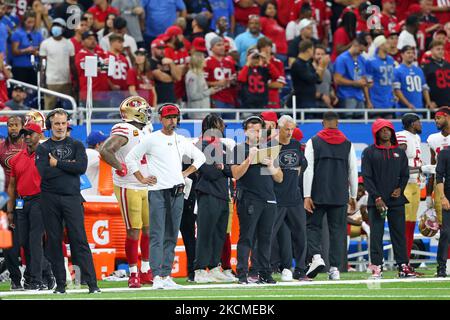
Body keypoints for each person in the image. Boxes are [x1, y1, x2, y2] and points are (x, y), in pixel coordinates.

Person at [125, 103, 206, 290]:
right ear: (161, 119)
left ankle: (166, 274)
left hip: (176, 191)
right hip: (158, 191)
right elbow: (130, 158)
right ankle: (156, 276)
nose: (172, 121)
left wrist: (185, 173)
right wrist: (141, 178)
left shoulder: (181, 140)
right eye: (168, 117)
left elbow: (200, 157)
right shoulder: (151, 139)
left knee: (171, 235)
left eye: (174, 117)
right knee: (156, 234)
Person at [35, 108, 100, 294]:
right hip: (49, 199)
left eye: (63, 123)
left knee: (79, 239)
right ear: (50, 126)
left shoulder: (77, 144)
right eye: (57, 123)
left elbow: (81, 167)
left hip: (72, 197)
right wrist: (69, 166)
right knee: (54, 241)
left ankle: (92, 284)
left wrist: (58, 164)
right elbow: (44, 173)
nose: (60, 127)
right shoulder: (42, 147)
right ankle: (61, 285)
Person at [100, 96, 153, 288]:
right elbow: (106, 150)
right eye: (144, 110)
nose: (148, 113)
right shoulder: (125, 129)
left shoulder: (146, 129)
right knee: (134, 230)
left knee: (148, 229)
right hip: (128, 185)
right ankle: (133, 273)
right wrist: (120, 166)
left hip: (146, 184)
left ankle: (146, 270)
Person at [303, 111, 358, 280]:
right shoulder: (348, 144)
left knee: (313, 227)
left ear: (322, 122)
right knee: (338, 232)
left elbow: (308, 169)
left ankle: (317, 257)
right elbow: (353, 170)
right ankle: (334, 268)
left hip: (318, 193)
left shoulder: (313, 142)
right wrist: (353, 195)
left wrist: (306, 195)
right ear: (338, 123)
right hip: (339, 194)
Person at [361, 118, 417, 279]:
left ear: (392, 132)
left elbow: (405, 174)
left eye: (388, 129)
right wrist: (377, 197)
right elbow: (367, 177)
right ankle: (377, 266)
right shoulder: (370, 152)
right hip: (377, 202)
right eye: (382, 129)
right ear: (376, 133)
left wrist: (400, 188)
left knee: (399, 234)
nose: (386, 132)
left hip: (396, 201)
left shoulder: (399, 152)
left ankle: (403, 266)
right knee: (376, 234)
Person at [231, 115, 283, 284]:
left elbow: (280, 178)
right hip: (249, 199)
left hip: (269, 199)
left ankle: (265, 273)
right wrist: (249, 159)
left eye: (259, 130)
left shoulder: (268, 148)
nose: (257, 133)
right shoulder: (239, 149)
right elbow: (236, 174)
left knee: (266, 237)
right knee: (247, 237)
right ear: (245, 132)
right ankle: (242, 273)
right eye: (253, 130)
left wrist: (271, 167)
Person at [7, 122, 54, 290]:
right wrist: (10, 210)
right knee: (25, 242)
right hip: (21, 203)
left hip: (40, 200)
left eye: (30, 133)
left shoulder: (48, 155)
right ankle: (47, 274)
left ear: (39, 135)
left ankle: (35, 280)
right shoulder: (16, 158)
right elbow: (12, 185)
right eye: (24, 134)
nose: (26, 136)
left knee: (34, 241)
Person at [193, 114, 235, 283]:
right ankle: (200, 269)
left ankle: (215, 266)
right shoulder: (201, 145)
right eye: (220, 124)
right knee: (205, 233)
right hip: (208, 193)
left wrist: (223, 168)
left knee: (219, 234)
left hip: (223, 194)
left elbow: (231, 170)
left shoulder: (221, 146)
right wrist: (224, 168)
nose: (223, 128)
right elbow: (209, 173)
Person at [273, 115, 309, 281]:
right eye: (286, 129)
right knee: (270, 235)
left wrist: (296, 172)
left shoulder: (295, 144)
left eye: (291, 129)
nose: (289, 132)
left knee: (301, 234)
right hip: (277, 198)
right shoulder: (271, 146)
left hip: (294, 198)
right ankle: (266, 268)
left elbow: (304, 163)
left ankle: (301, 269)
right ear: (279, 128)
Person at [0, 116, 26, 290]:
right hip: (4, 201)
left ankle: (35, 277)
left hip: (25, 198)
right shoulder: (1, 148)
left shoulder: (29, 146)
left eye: (16, 125)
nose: (13, 128)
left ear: (22, 127)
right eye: (10, 125)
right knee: (7, 242)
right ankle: (15, 280)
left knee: (29, 240)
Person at [395, 113, 424, 260]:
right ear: (412, 123)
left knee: (412, 223)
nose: (421, 125)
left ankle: (407, 260)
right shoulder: (402, 136)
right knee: (403, 223)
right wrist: (417, 170)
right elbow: (397, 158)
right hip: (405, 183)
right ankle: (402, 261)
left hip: (415, 183)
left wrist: (421, 169)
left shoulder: (417, 137)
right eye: (419, 122)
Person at [426, 107, 450, 262]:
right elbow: (433, 167)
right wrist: (429, 194)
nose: (436, 121)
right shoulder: (433, 139)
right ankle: (445, 262)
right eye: (435, 119)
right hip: (441, 185)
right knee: (445, 228)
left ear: (447, 117)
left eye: (439, 118)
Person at [39, 18, 76, 110]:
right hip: (51, 81)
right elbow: (43, 64)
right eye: (54, 25)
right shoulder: (45, 43)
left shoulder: (69, 43)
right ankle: (46, 124)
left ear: (63, 28)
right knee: (48, 107)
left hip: (66, 81)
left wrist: (75, 81)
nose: (56, 27)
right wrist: (42, 80)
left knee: (68, 108)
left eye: (58, 25)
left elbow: (72, 64)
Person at [333, 33, 370, 118]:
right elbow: (337, 79)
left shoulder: (361, 59)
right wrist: (355, 83)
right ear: (355, 45)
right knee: (348, 121)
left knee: (361, 122)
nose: (361, 53)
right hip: (346, 96)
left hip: (360, 97)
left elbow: (363, 80)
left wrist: (368, 100)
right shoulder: (342, 59)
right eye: (360, 50)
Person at [290, 40, 329, 111]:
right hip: (302, 101)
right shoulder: (297, 64)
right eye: (312, 49)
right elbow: (312, 79)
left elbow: (318, 80)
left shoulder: (308, 63)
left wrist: (322, 67)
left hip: (311, 99)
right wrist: (321, 66)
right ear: (308, 50)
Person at [204, 37, 237, 119]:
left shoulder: (230, 61)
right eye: (218, 45)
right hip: (216, 98)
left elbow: (234, 79)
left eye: (222, 45)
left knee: (231, 127)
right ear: (211, 48)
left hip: (230, 98)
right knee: (217, 126)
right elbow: (202, 83)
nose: (222, 47)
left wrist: (233, 81)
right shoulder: (206, 62)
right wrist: (217, 83)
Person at [394, 45, 435, 111]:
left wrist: (428, 102)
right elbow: (397, 90)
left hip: (419, 108)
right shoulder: (397, 70)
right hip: (404, 110)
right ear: (402, 54)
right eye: (408, 53)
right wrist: (408, 104)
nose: (411, 55)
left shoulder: (419, 70)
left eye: (413, 53)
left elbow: (424, 88)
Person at [365, 35, 396, 117]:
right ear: (381, 46)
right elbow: (367, 84)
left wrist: (394, 94)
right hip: (376, 100)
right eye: (387, 43)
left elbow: (391, 80)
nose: (390, 46)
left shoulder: (391, 59)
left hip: (389, 100)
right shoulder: (371, 61)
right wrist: (368, 101)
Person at [10, 11, 43, 85]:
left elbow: (42, 48)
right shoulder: (17, 33)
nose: (31, 24)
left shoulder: (37, 33)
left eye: (33, 22)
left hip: (34, 67)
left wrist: (36, 52)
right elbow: (14, 51)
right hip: (20, 67)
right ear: (24, 21)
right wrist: (26, 50)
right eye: (29, 22)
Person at [185, 51, 220, 120]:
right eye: (204, 59)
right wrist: (209, 92)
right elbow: (192, 95)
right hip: (197, 113)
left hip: (203, 112)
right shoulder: (192, 75)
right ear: (199, 61)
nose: (205, 61)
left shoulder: (199, 74)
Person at [150, 38, 182, 105]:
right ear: (152, 49)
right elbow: (162, 77)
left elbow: (178, 77)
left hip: (172, 100)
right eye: (159, 48)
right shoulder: (150, 62)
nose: (162, 51)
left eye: (163, 48)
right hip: (159, 102)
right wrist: (173, 78)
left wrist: (171, 64)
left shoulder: (168, 61)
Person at [257, 37, 286, 109]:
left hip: (273, 101)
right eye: (263, 47)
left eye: (268, 46)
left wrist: (268, 63)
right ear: (259, 49)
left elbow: (280, 84)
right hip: (258, 100)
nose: (266, 49)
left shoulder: (278, 63)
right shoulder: (255, 62)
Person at [421, 40, 450, 108]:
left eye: (442, 49)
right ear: (431, 50)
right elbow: (424, 86)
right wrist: (428, 101)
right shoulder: (426, 66)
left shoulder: (448, 64)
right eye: (438, 49)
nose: (441, 51)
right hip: (435, 104)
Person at [435, 147, 450, 277]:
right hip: (448, 198)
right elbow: (439, 177)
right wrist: (443, 197)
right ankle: (441, 267)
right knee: (445, 233)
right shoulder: (445, 153)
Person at [81, 130, 107, 197]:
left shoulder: (85, 152)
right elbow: (112, 161)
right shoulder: (94, 154)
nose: (106, 145)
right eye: (104, 143)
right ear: (97, 144)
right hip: (89, 196)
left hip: (83, 194)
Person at [313, 45, 338, 109]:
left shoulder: (328, 71)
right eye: (318, 54)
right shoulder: (310, 69)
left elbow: (329, 86)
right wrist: (321, 96)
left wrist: (333, 95)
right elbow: (306, 89)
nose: (320, 56)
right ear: (313, 55)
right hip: (313, 104)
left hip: (326, 105)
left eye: (322, 54)